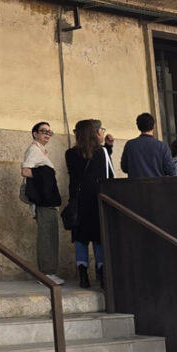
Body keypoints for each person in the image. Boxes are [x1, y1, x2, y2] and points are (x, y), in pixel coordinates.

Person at [65, 119, 115, 288]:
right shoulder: (102, 153)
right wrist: (107, 148)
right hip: (97, 200)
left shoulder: (70, 154)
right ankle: (101, 274)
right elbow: (109, 177)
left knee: (80, 239)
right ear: (95, 133)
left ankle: (83, 275)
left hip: (78, 201)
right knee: (98, 238)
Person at [21, 122, 64, 285]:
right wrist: (46, 173)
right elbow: (25, 170)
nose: (47, 134)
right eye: (43, 131)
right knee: (46, 237)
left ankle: (50, 271)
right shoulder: (33, 150)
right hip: (43, 202)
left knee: (50, 236)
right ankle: (46, 272)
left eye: (49, 132)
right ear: (34, 133)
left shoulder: (41, 151)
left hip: (48, 201)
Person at [120, 112, 175, 178]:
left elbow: (124, 168)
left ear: (138, 127)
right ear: (153, 126)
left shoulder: (130, 145)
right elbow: (170, 170)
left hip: (135, 186)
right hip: (158, 186)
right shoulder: (163, 146)